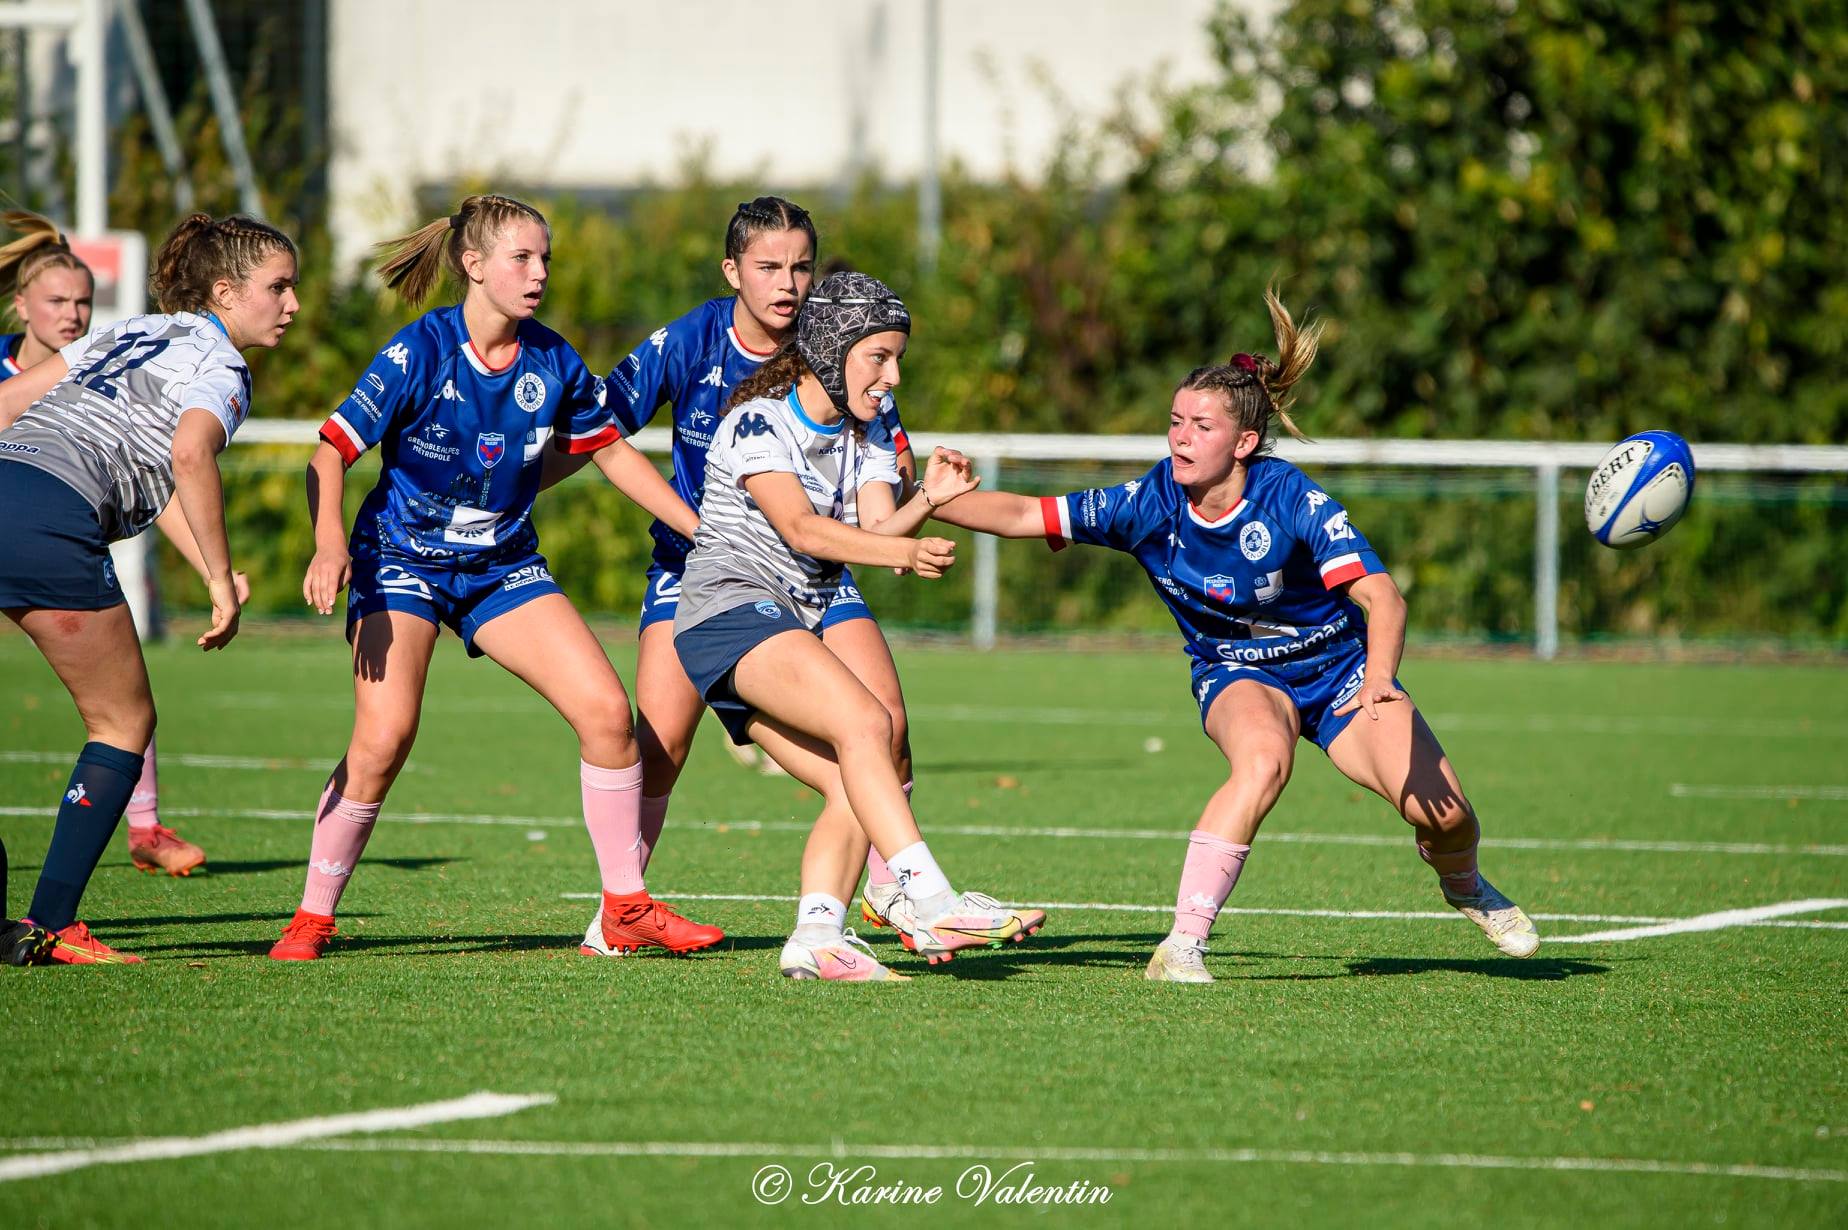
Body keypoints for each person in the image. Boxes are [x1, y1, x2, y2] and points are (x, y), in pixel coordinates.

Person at [926, 288, 1539, 983]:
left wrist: (1378, 681)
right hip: (1236, 672)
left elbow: (1383, 597)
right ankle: (1183, 946)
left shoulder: (1291, 499)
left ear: (1244, 443)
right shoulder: (1148, 503)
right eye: (1175, 420)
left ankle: (1463, 885)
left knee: (1450, 818)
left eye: (1201, 426)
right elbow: (1020, 514)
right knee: (1261, 762)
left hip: (1341, 676)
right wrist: (928, 499)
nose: (1180, 436)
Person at [269, 193, 721, 962]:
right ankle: (312, 916)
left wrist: (703, 533)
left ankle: (625, 907)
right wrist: (325, 545)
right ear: (472, 265)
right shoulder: (421, 351)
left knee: (610, 715)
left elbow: (610, 454)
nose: (539, 272)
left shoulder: (554, 358)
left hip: (501, 567)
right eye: (522, 257)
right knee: (384, 737)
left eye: (545, 257)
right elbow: (329, 453)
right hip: (401, 561)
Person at [673, 270, 1046, 981]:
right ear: (827, 349)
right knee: (866, 726)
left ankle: (817, 937)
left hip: (802, 603)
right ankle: (929, 900)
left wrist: (927, 500)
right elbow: (804, 529)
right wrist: (904, 547)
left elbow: (875, 528)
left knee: (863, 769)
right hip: (728, 608)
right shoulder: (759, 423)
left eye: (897, 356)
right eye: (878, 356)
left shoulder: (868, 427)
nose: (892, 373)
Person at [573, 198, 921, 956]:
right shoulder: (696, 338)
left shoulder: (833, 343)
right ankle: (618, 910)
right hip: (707, 573)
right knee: (661, 743)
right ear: (732, 270)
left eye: (800, 266)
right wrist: (693, 524)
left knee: (887, 723)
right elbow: (597, 429)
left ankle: (891, 892)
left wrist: (909, 479)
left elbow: (881, 459)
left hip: (816, 573)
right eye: (768, 267)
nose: (787, 283)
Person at [0, 211, 298, 965]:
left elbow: (7, 405)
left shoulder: (132, 329)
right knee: (123, 722)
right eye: (279, 287)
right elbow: (191, 456)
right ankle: (54, 923)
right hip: (53, 515)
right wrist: (223, 587)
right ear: (226, 293)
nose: (292, 304)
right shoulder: (225, 368)